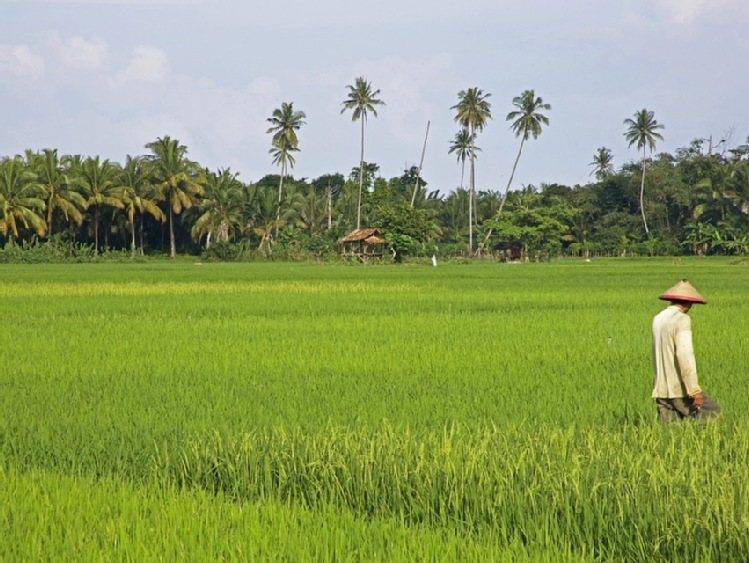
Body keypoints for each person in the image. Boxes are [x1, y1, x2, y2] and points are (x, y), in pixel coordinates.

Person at [651, 279, 720, 422]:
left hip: (661, 388)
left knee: (669, 434)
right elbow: (685, 355)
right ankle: (705, 442)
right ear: (688, 303)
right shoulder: (682, 319)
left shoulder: (658, 318)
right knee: (712, 412)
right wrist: (694, 390)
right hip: (678, 388)